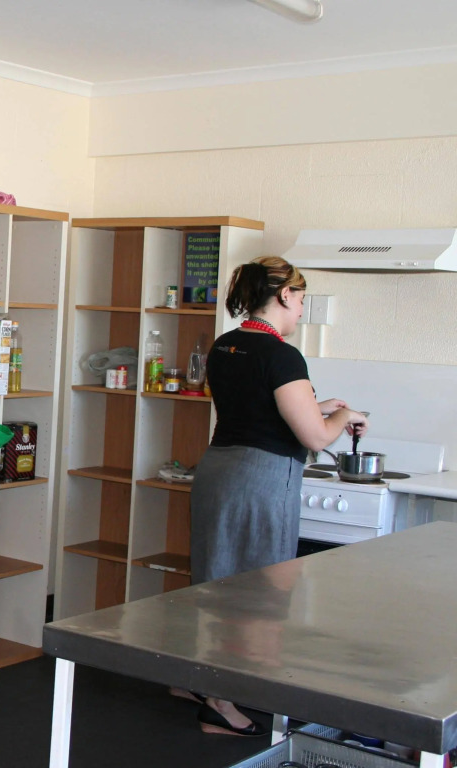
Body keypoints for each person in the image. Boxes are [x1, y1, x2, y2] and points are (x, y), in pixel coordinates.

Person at [184, 255, 368, 737]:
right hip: (260, 479)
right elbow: (314, 437)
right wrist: (344, 417)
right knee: (257, 593)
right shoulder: (282, 355)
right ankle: (222, 704)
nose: (303, 307)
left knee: (214, 584)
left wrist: (318, 405)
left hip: (218, 470)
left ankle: (205, 682)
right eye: (302, 297)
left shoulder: (227, 344)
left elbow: (256, 407)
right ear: (285, 295)